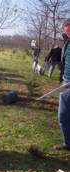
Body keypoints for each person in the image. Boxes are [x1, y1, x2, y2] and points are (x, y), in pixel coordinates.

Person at [54, 18, 70, 151]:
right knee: (63, 117)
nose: (68, 36)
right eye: (67, 33)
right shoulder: (67, 43)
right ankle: (67, 143)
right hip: (66, 84)